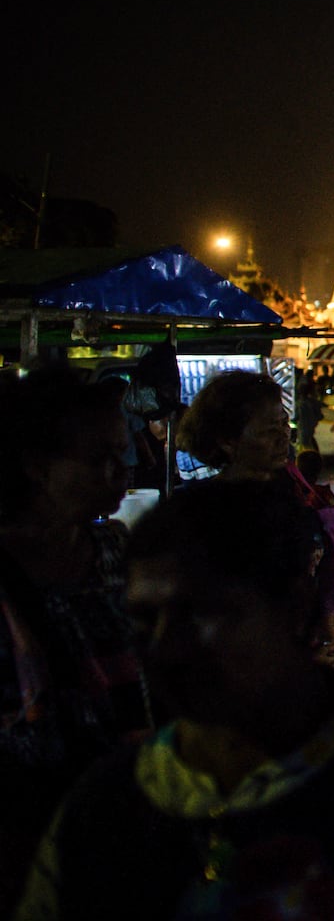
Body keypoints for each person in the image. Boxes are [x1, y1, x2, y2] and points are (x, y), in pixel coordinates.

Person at [14, 480, 334, 919]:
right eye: (145, 619)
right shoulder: (107, 807)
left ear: (295, 605)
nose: (166, 647)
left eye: (203, 613)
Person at [0, 367, 152, 916]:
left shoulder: (115, 549)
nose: (120, 471)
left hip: (120, 806)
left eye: (124, 452)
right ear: (36, 466)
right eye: (100, 458)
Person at [175, 370, 334, 667]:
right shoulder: (208, 512)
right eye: (269, 430)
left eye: (284, 425)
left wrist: (326, 641)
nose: (283, 438)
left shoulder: (284, 498)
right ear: (228, 440)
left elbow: (305, 584)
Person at [295, 376, 324, 454]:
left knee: (305, 447)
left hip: (304, 430)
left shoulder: (301, 404)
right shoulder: (313, 402)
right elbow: (320, 416)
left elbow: (295, 417)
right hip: (310, 429)